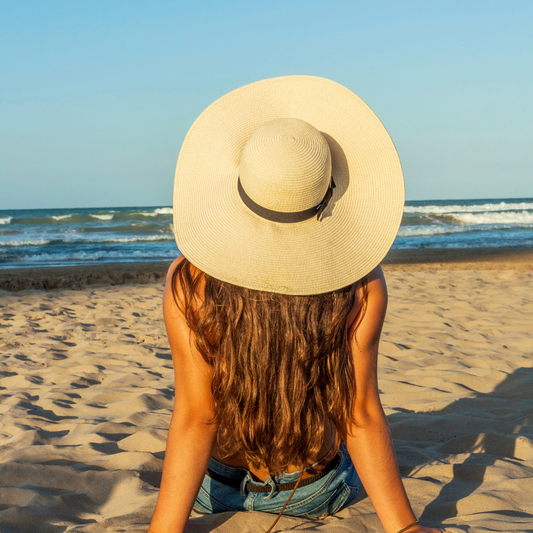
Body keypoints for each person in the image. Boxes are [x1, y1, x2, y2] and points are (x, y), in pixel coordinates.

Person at [148, 76, 446, 533]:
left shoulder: (189, 282)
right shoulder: (361, 286)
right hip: (309, 493)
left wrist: (162, 530)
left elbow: (197, 416)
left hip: (214, 490)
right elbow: (359, 413)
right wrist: (404, 528)